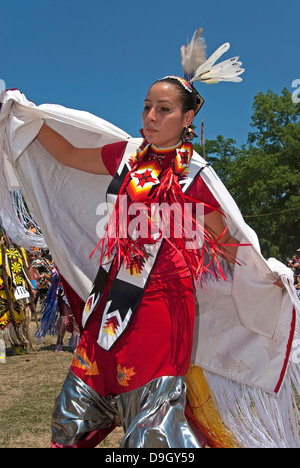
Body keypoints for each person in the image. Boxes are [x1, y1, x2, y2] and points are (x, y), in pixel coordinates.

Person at [0, 29, 299, 448]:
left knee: (152, 426)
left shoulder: (194, 176)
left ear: (187, 118)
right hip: (109, 297)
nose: (151, 117)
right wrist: (20, 112)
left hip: (164, 303)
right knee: (71, 416)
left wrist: (265, 273)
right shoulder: (124, 155)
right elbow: (66, 155)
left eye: (163, 109)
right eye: (146, 107)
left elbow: (229, 239)